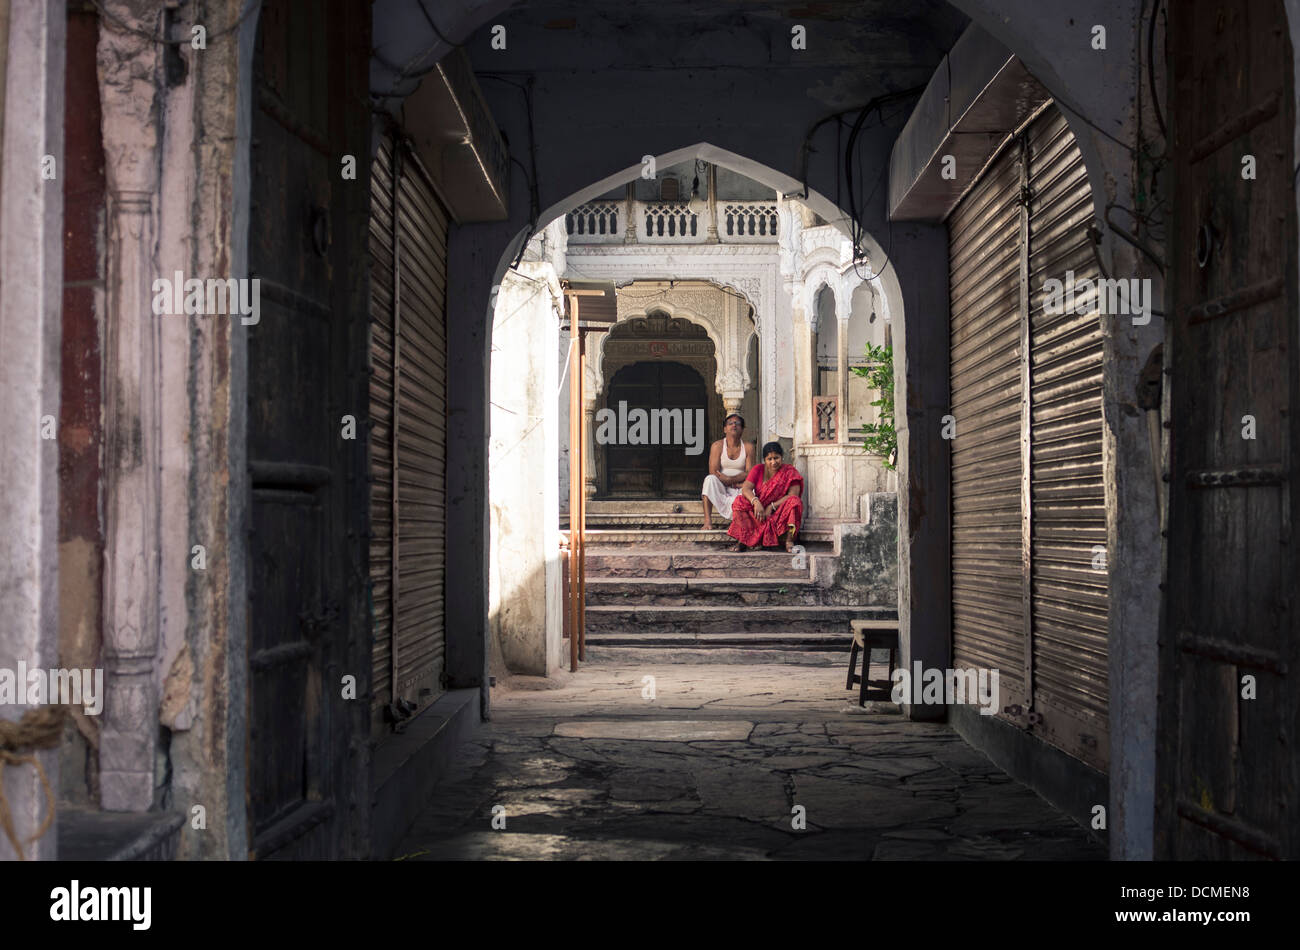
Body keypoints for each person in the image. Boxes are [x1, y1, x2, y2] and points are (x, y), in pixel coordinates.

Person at [727, 442, 804, 552]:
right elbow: (746, 488)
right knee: (739, 501)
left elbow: (793, 495)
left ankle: (789, 541)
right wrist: (756, 502)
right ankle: (743, 541)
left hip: (778, 512)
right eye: (769, 459)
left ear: (782, 457)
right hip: (759, 513)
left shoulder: (790, 471)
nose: (773, 462)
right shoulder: (758, 469)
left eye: (776, 458)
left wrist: (771, 506)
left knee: (795, 502)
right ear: (764, 460)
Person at [700, 413, 756, 530]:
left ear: (742, 429)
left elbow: (750, 472)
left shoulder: (748, 447)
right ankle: (707, 521)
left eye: (738, 423)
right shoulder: (717, 446)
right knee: (709, 480)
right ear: (725, 429)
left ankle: (741, 524)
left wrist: (731, 480)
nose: (734, 425)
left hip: (741, 487)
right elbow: (713, 471)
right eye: (730, 423)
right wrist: (727, 482)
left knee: (753, 491)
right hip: (722, 486)